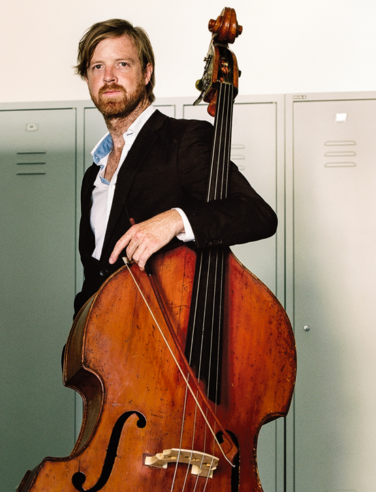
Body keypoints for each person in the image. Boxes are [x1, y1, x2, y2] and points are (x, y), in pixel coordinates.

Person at [73, 18, 277, 313]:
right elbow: (94, 274)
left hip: (167, 334)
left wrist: (174, 220)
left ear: (146, 73)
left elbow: (257, 215)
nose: (109, 77)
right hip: (107, 344)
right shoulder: (94, 174)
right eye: (97, 67)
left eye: (122, 64)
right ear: (88, 79)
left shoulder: (182, 140)